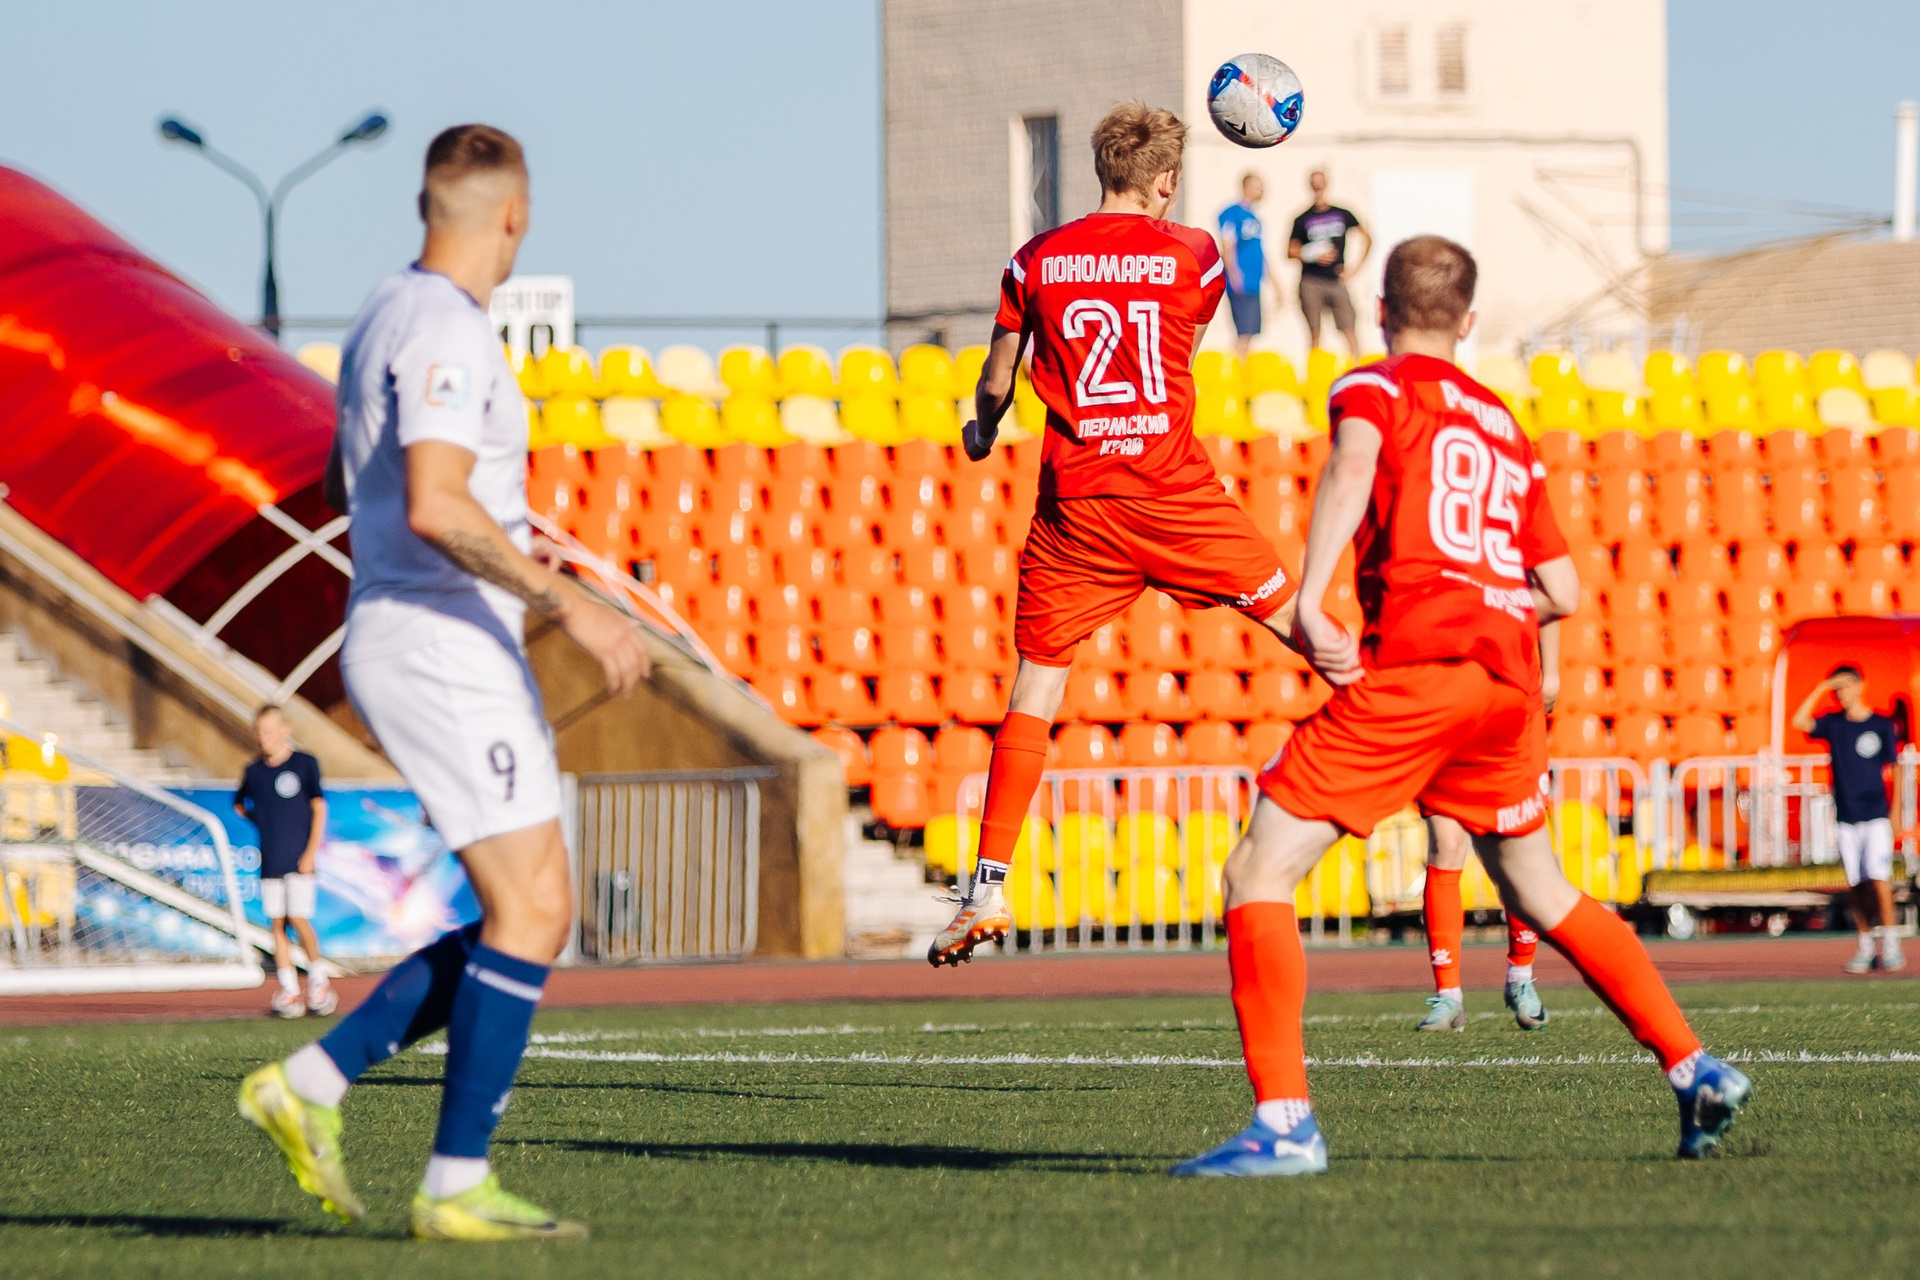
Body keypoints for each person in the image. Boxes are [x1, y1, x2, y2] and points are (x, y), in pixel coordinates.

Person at [1172, 235, 1752, 1177]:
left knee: (1257, 870)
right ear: (1469, 321)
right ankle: (1693, 1068)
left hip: (1424, 666)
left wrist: (1312, 598)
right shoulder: (1505, 429)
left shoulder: (1376, 387)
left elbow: (1352, 466)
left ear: (1382, 313)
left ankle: (1284, 1125)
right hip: (1506, 685)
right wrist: (1490, 602)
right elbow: (1563, 589)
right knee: (1541, 891)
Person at [236, 124, 651, 1241]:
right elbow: (431, 500)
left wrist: (505, 539)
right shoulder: (449, 330)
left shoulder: (384, 307)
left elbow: (346, 482)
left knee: (537, 905)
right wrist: (565, 600)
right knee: (534, 907)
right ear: (513, 216)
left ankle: (313, 1083)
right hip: (437, 638)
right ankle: (454, 1180)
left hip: (426, 626)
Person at [930, 102, 1300, 966]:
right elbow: (1183, 349)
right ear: (1165, 181)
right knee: (1305, 628)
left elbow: (997, 378)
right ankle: (1419, 737)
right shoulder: (1196, 253)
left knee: (1035, 689)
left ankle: (986, 888)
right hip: (1172, 492)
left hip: (1078, 505)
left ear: (1101, 168)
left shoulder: (1035, 259)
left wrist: (982, 429)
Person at [1417, 620, 1560, 1032]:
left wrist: (1551, 671)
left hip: (1512, 691)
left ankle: (1521, 975)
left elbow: (1553, 594)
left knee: (1517, 843)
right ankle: (1448, 995)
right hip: (1444, 695)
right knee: (1445, 844)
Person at [1793, 665, 1906, 974]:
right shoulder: (1834, 724)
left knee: (1880, 879)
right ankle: (1865, 945)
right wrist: (1821, 687)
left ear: (1859, 685)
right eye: (1836, 689)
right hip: (1846, 816)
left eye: (1844, 686)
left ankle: (1892, 943)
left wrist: (1895, 810)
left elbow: (1895, 767)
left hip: (1876, 815)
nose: (1840, 694)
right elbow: (1799, 721)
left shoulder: (1880, 724)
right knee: (1856, 885)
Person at [234, 705, 333, 1018]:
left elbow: (319, 807)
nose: (262, 737)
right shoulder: (254, 771)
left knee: (298, 918)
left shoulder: (304, 763)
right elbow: (240, 804)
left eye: (268, 730)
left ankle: (319, 982)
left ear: (284, 730)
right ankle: (289, 989)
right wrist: (263, 824)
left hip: (299, 858)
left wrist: (310, 852)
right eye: (258, 731)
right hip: (271, 857)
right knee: (276, 922)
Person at [1287, 169, 1370, 356]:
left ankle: (1357, 365)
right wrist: (1312, 254)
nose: (1318, 186)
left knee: (1349, 329)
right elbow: (1290, 251)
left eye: (1320, 182)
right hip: (1311, 281)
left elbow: (1367, 238)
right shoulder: (1302, 219)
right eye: (1314, 182)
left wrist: (1354, 269)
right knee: (1315, 333)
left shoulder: (1342, 213)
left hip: (1336, 280)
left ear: (1326, 184)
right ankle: (1316, 368)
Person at [1216, 172, 1272, 360]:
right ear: (1247, 186)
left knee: (1250, 332)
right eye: (1258, 185)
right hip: (1241, 282)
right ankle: (1235, 366)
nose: (1262, 189)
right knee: (1243, 333)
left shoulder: (1254, 217)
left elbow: (1260, 251)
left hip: (1254, 282)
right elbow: (1227, 244)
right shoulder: (1232, 213)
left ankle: (1243, 364)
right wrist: (1233, 274)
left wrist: (1274, 283)